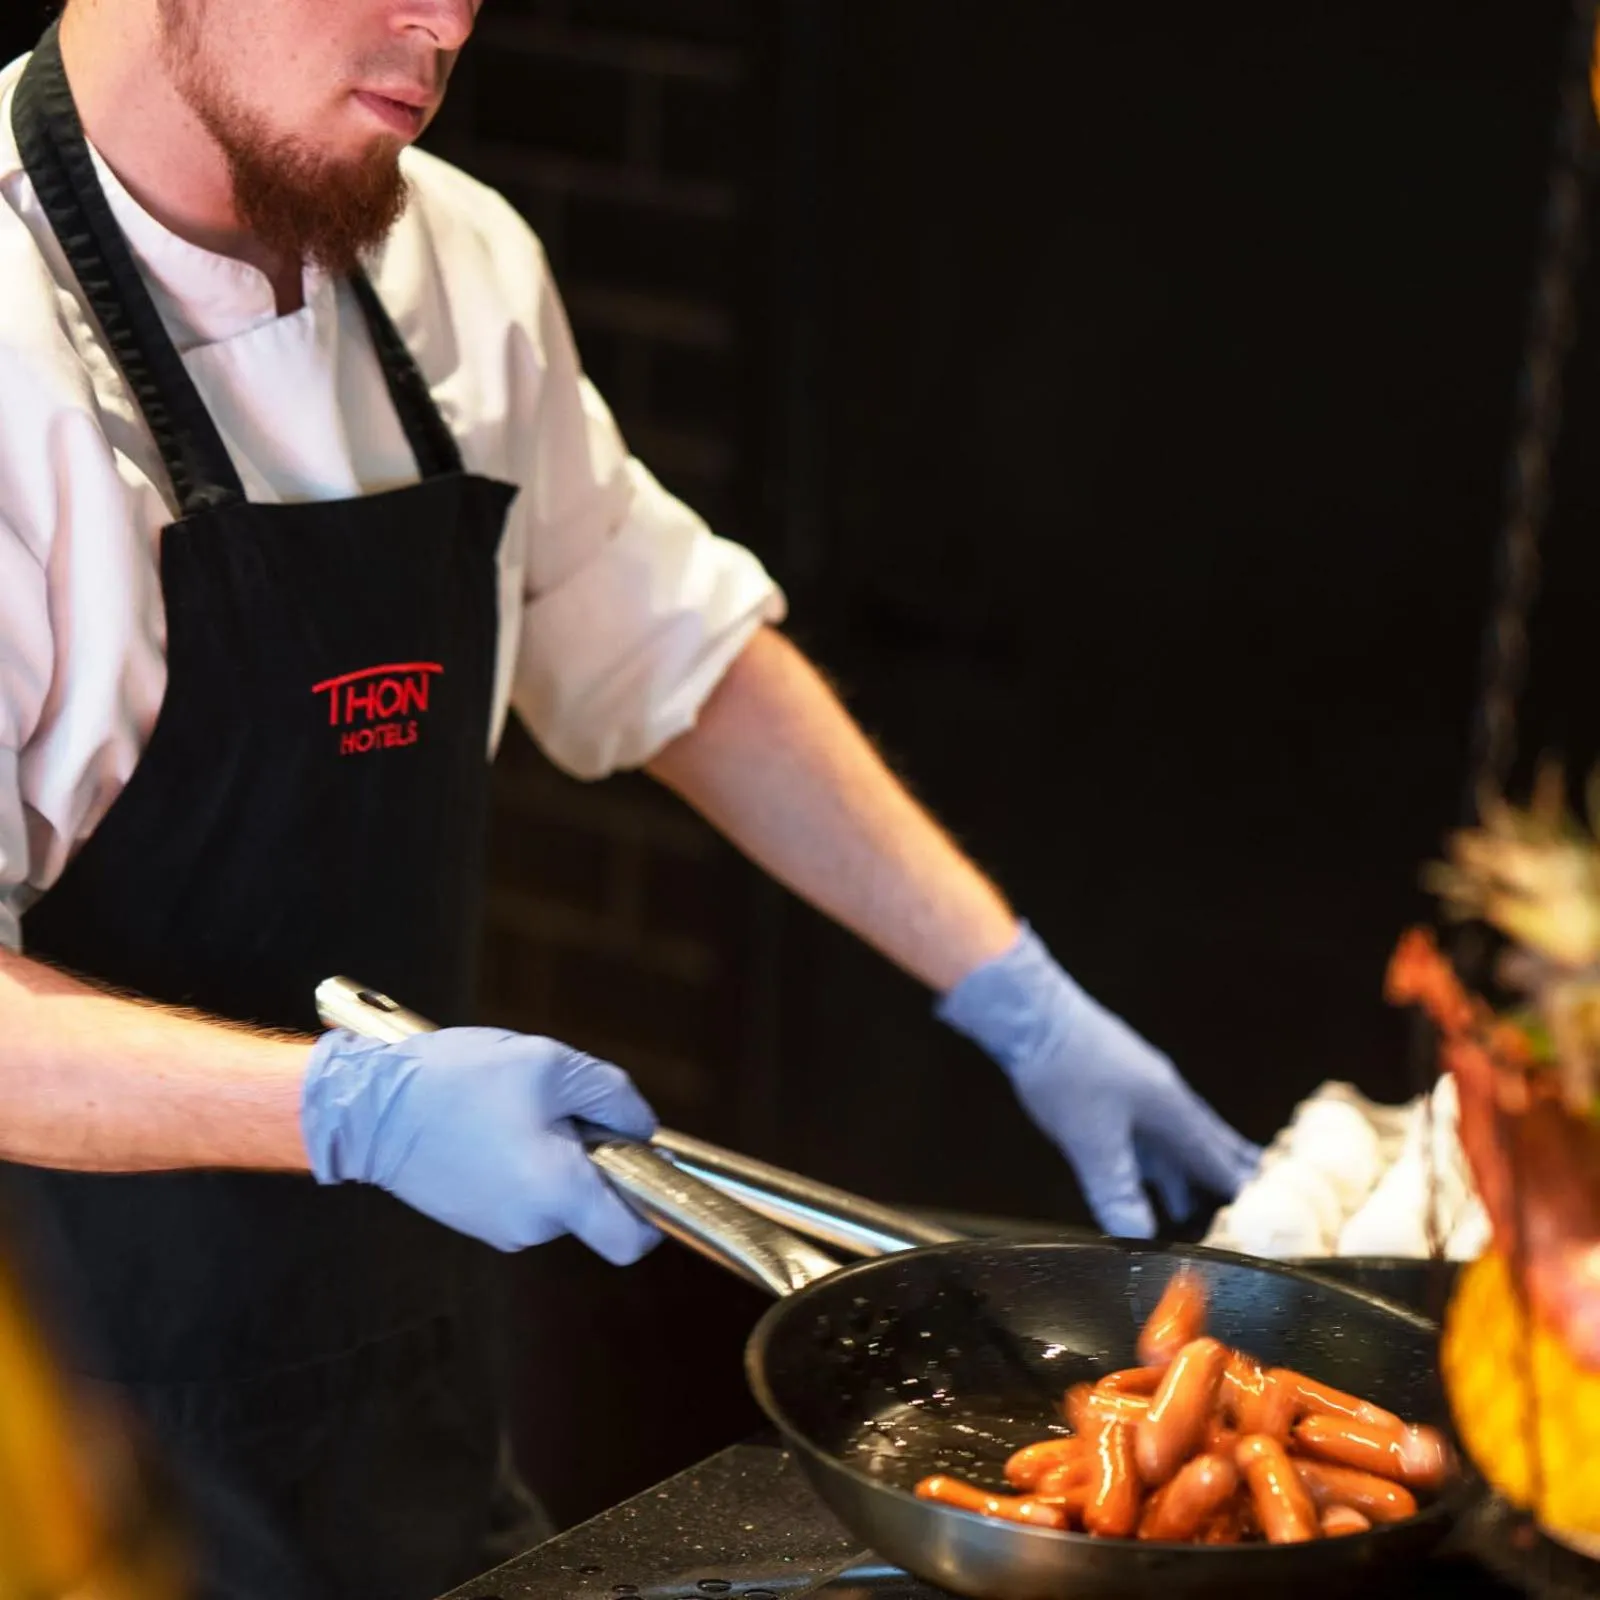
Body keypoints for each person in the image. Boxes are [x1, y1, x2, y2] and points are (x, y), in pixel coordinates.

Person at [0, 1, 1261, 1593]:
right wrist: (345, 1106)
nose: (443, 20)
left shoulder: (459, 268)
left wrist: (1011, 991)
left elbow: (668, 649)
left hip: (411, 1411)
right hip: (62, 1472)